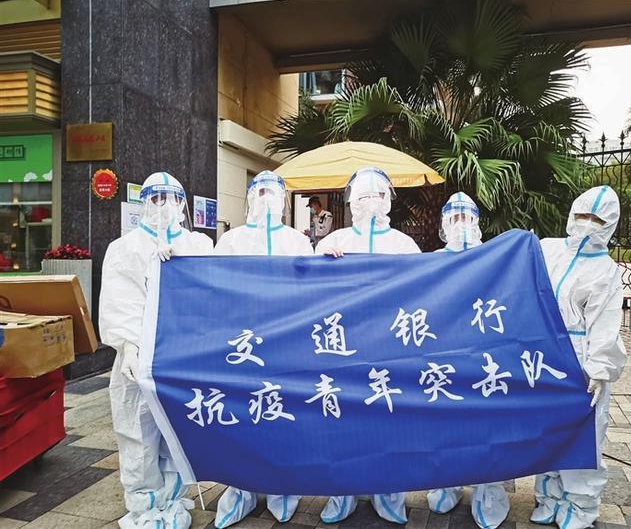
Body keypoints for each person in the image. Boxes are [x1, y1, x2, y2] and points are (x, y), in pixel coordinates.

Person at [99, 172, 213, 529]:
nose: (164, 206)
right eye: (156, 198)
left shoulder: (198, 245)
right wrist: (130, 346)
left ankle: (173, 499)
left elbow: (213, 294)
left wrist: (182, 264)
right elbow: (121, 302)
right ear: (144, 203)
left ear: (183, 204)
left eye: (172, 198)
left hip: (184, 357)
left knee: (178, 432)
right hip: (141, 358)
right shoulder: (125, 248)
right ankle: (145, 507)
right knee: (138, 433)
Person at [315, 166, 420, 524]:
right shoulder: (336, 240)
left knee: (388, 418)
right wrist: (322, 260)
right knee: (342, 420)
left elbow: (422, 290)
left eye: (378, 195)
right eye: (363, 196)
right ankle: (341, 493)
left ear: (388, 200)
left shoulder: (404, 245)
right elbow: (310, 291)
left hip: (389, 346)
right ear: (351, 202)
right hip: (344, 346)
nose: (371, 202)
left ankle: (388, 494)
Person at [213, 170, 313, 528]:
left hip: (285, 346)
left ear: (284, 200)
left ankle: (282, 489)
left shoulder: (297, 241)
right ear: (249, 198)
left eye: (273, 193)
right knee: (241, 416)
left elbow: (312, 291)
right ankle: (240, 489)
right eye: (260, 192)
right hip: (242, 344)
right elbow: (212, 287)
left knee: (282, 413)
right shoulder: (231, 241)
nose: (267, 199)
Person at [530, 185, 627, 529]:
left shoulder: (606, 271)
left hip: (581, 358)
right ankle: (548, 495)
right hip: (544, 355)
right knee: (547, 429)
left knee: (583, 433)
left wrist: (599, 368)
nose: (587, 224)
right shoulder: (548, 249)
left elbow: (605, 323)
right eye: (582, 215)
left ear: (609, 225)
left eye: (597, 219)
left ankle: (581, 504)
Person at [427, 192, 509, 529]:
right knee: (445, 425)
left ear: (477, 222)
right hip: (444, 357)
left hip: (483, 357)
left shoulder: (495, 258)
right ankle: (446, 483)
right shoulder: (431, 260)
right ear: (444, 223)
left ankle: (488, 491)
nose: (461, 224)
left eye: (467, 217)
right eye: (454, 218)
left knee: (485, 426)